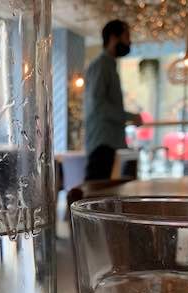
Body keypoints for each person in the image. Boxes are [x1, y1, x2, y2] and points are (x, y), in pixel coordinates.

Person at [84, 20, 143, 181]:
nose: (129, 42)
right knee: (95, 195)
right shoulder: (101, 65)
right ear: (113, 37)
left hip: (108, 143)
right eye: (127, 36)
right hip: (102, 144)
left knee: (105, 196)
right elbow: (100, 107)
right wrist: (131, 117)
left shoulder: (108, 65)